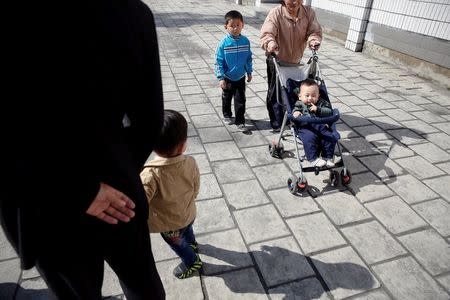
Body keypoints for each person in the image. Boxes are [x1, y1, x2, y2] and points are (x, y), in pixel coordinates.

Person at [1, 1, 166, 299]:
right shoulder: (131, 12)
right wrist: (115, 171)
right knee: (143, 284)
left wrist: (78, 189)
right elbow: (150, 120)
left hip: (43, 203)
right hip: (118, 193)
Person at [140, 110, 202, 280]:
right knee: (188, 229)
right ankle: (193, 245)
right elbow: (196, 185)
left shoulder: (149, 174)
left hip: (169, 225)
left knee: (178, 244)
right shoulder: (190, 162)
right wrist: (191, 198)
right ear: (183, 145)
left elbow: (141, 202)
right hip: (189, 212)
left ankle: (192, 262)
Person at [260, 0, 322, 131]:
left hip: (295, 62)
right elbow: (267, 34)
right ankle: (277, 123)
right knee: (275, 92)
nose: (294, 1)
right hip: (277, 60)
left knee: (294, 92)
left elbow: (314, 31)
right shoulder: (275, 13)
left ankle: (294, 116)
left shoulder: (308, 13)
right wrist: (270, 42)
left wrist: (314, 40)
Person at [215, 10, 253, 131]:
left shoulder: (245, 41)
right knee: (227, 97)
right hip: (227, 77)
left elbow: (248, 58)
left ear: (243, 25)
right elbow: (218, 61)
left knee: (240, 99)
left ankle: (240, 121)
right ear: (226, 26)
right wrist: (221, 77)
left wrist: (249, 71)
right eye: (232, 26)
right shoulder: (224, 43)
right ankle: (227, 114)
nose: (235, 28)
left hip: (240, 77)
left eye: (238, 25)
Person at [292, 79, 340, 168]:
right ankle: (313, 159)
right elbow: (295, 110)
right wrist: (296, 113)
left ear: (318, 96)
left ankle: (327, 157)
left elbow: (329, 112)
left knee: (329, 137)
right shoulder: (299, 103)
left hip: (321, 126)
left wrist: (319, 109)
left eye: (314, 95)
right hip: (306, 127)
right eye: (307, 95)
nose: (310, 98)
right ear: (300, 96)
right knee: (309, 138)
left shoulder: (322, 103)